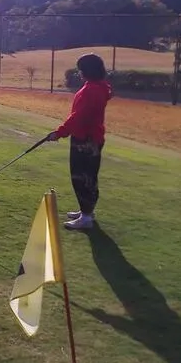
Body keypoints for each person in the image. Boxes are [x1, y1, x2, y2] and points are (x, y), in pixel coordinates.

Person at [47, 53, 112, 230]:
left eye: (81, 69)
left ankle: (87, 217)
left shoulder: (93, 90)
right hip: (87, 137)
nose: (79, 72)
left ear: (87, 70)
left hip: (86, 139)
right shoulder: (95, 87)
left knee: (83, 177)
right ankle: (86, 211)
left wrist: (59, 133)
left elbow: (79, 117)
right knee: (85, 176)